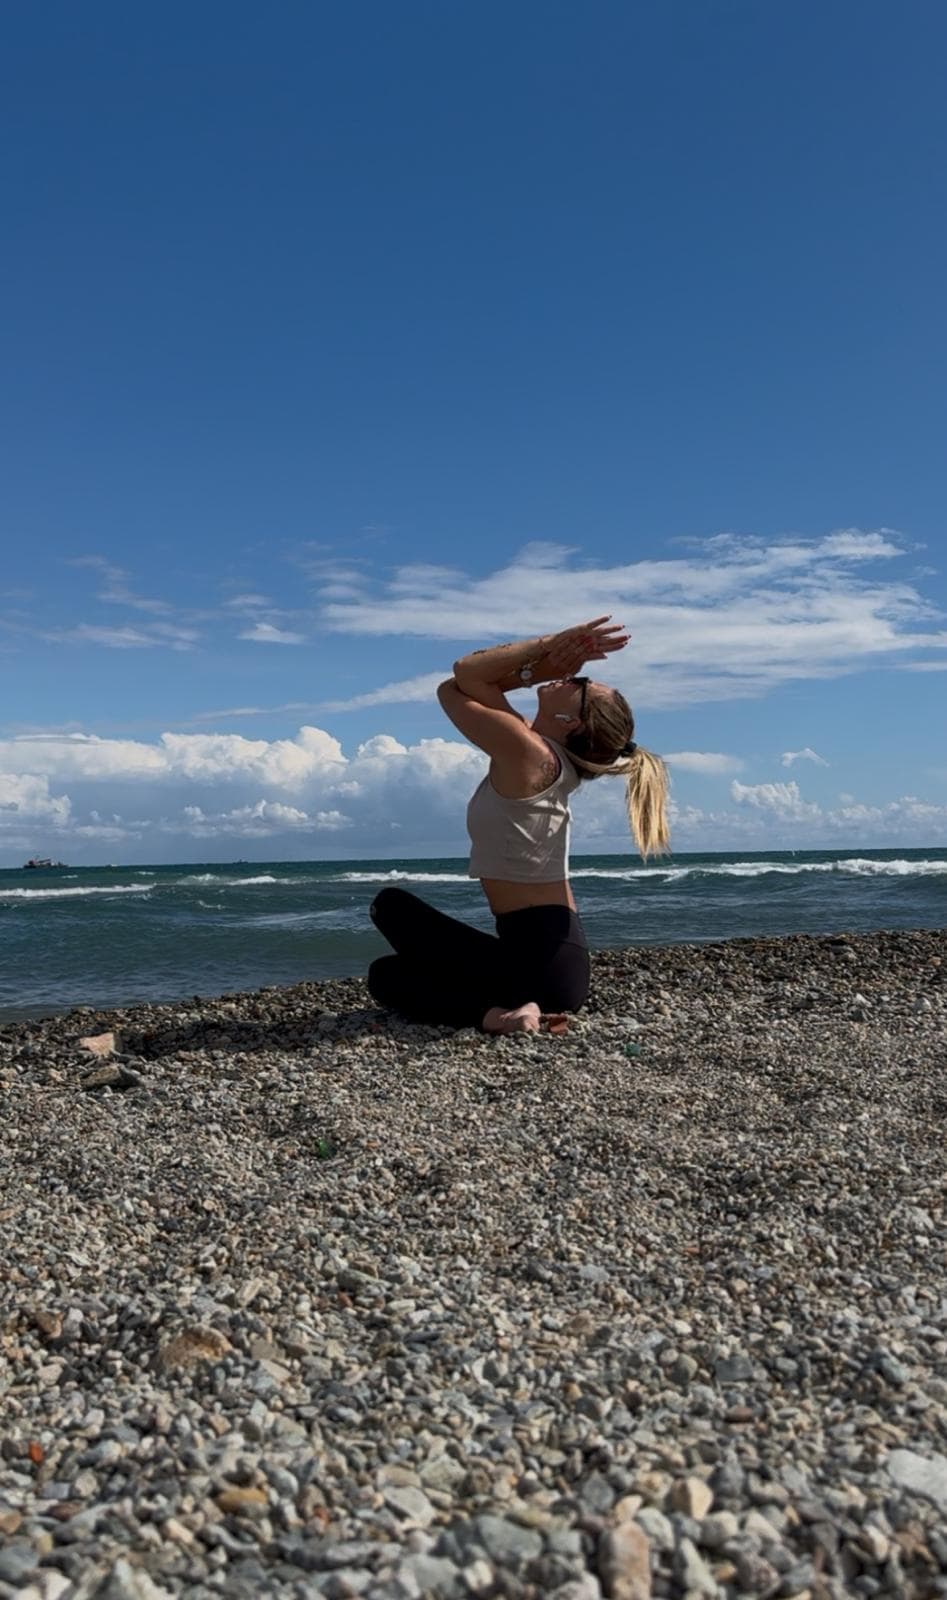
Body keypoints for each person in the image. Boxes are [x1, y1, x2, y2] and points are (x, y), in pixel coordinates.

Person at [366, 616, 669, 1035]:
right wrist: (541, 672)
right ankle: (513, 1004)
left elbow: (461, 678)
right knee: (386, 973)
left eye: (580, 684)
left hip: (543, 963)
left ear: (572, 722)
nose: (572, 678)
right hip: (545, 962)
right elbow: (469, 686)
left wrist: (550, 646)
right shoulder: (539, 754)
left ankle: (499, 1015)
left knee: (390, 909)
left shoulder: (531, 755)